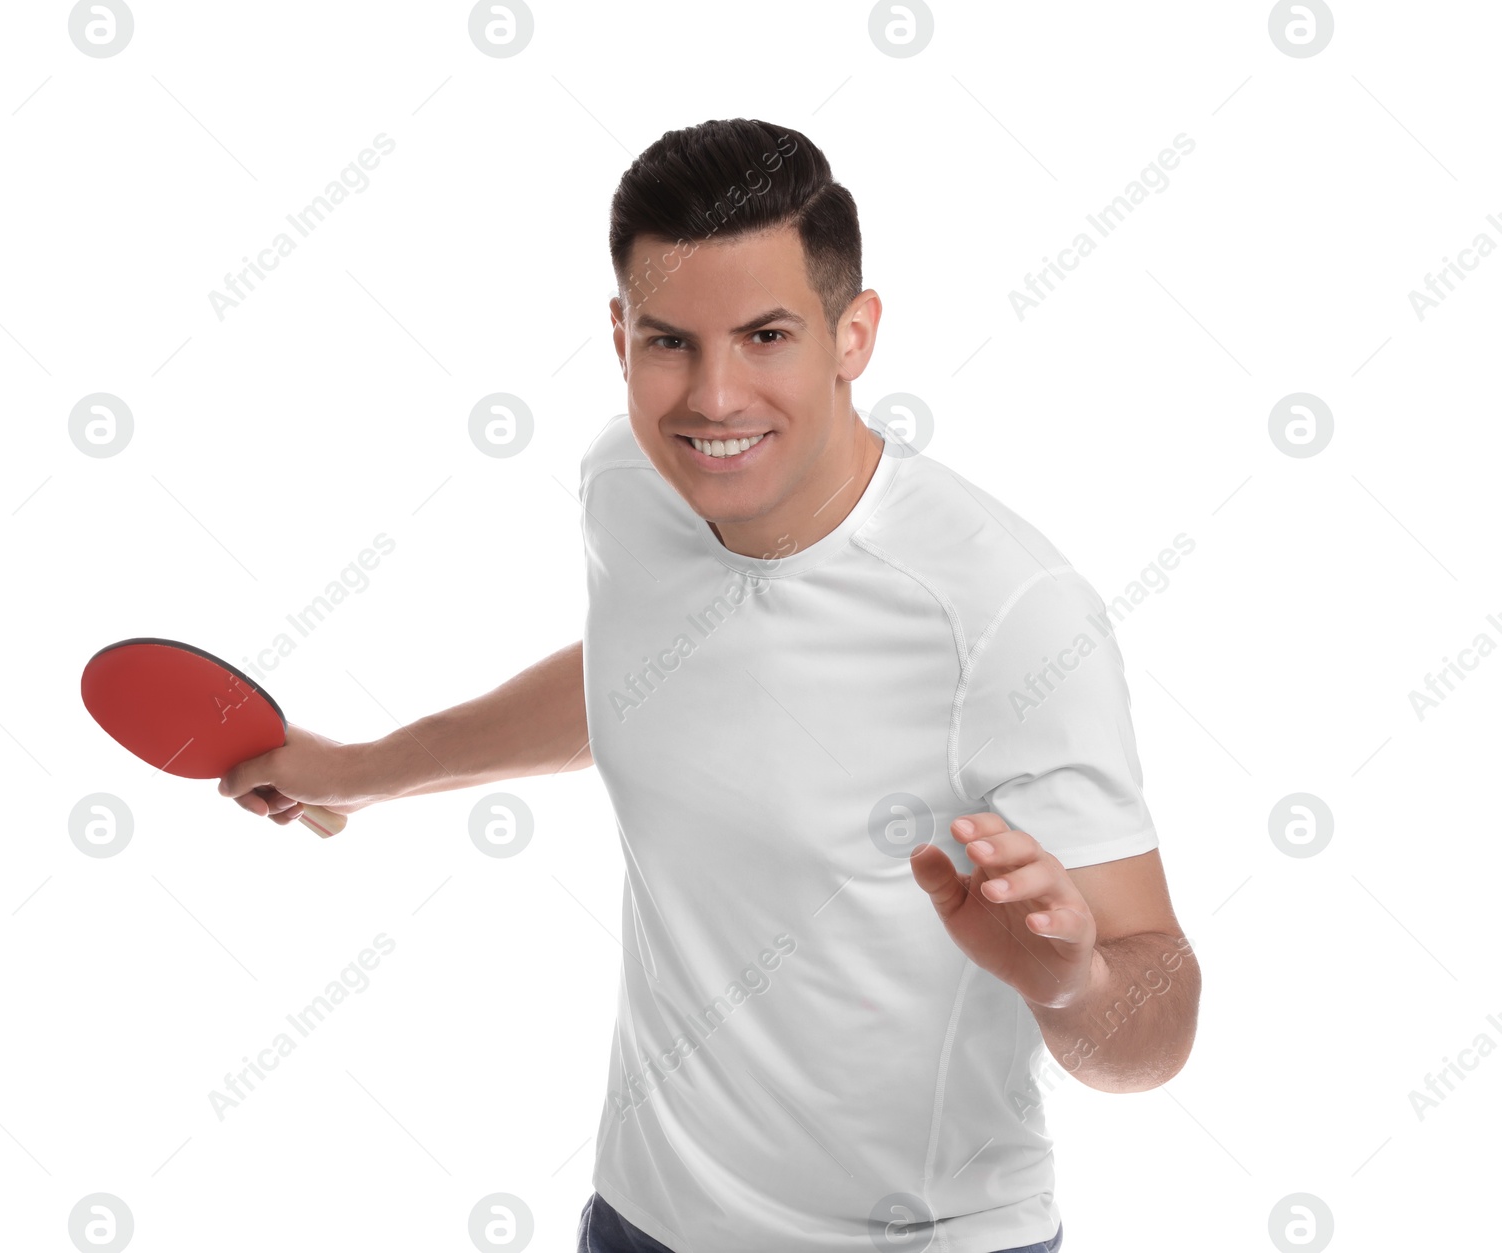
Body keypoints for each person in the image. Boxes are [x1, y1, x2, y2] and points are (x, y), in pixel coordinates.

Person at [218, 118, 1201, 1253]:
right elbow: (648, 672)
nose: (714, 399)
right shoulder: (627, 482)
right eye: (669, 341)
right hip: (640, 1219)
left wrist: (1071, 980)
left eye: (767, 335)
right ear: (618, 335)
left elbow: (1157, 1022)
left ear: (855, 334)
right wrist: (362, 770)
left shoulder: (1008, 613)